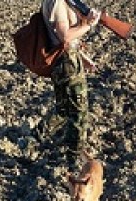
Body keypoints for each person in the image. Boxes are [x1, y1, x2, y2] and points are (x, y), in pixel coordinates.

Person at [34, 0, 101, 166]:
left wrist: (82, 58)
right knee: (79, 114)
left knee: (64, 109)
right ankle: (74, 159)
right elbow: (64, 36)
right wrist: (89, 25)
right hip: (66, 64)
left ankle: (33, 138)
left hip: (66, 60)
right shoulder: (58, 2)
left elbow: (65, 40)